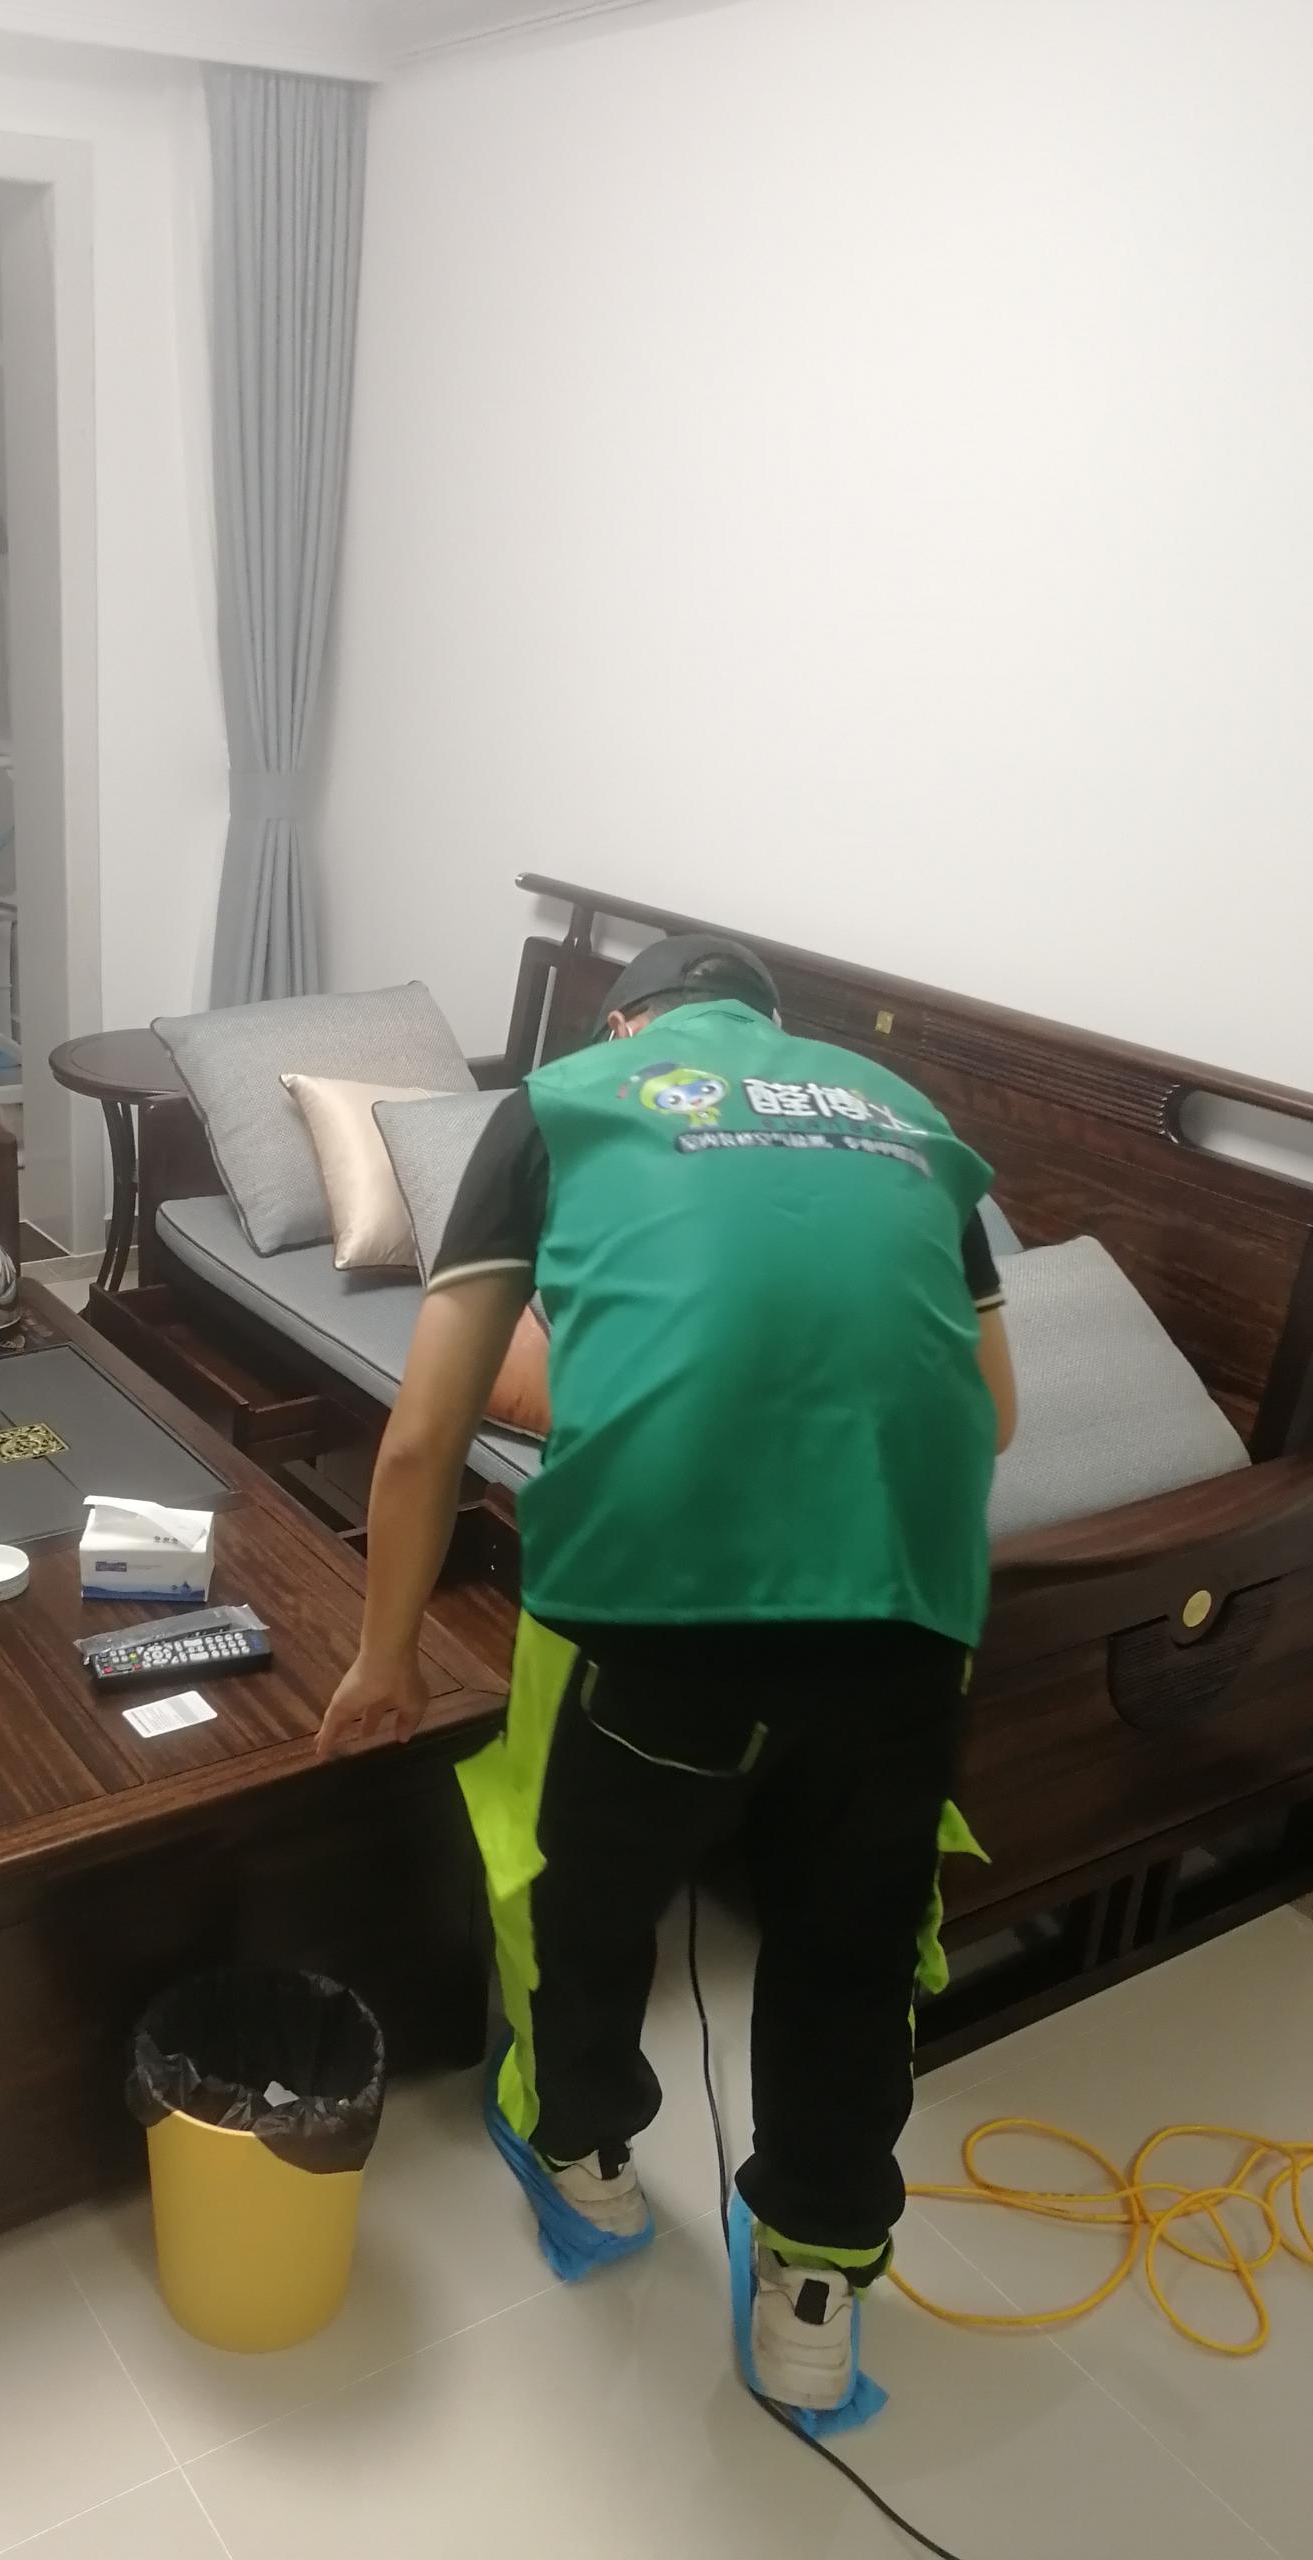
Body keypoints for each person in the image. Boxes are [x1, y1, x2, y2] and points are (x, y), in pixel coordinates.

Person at [316, 933, 1017, 2412]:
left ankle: (588, 2161)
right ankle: (813, 2293)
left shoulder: (563, 1101)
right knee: (851, 1953)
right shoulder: (902, 1112)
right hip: (904, 1614)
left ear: (628, 1020)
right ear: (773, 1026)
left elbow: (424, 1436)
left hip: (656, 1612)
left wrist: (384, 1658)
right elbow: (994, 1411)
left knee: (581, 1895)